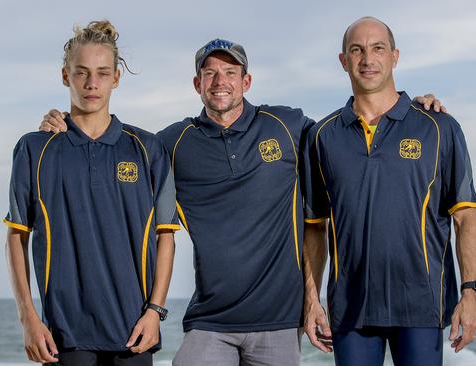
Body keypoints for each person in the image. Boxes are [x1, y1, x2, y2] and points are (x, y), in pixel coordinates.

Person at [40, 38, 444, 366]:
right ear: (197, 84)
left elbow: (347, 132)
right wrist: (64, 122)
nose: (220, 81)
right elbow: (111, 147)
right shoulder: (171, 144)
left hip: (280, 322)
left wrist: (409, 110)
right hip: (210, 321)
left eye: (230, 72)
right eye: (210, 73)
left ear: (246, 82)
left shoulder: (287, 126)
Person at [302, 17, 476, 366]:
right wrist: (312, 300)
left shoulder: (439, 127)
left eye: (378, 49)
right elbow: (314, 226)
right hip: (351, 308)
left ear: (394, 56)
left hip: (420, 303)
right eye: (356, 50)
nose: (368, 59)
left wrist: (471, 291)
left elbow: (465, 216)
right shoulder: (322, 136)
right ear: (343, 61)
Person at [3, 20, 179, 366]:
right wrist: (28, 319)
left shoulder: (146, 148)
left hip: (134, 331)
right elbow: (15, 238)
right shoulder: (34, 149)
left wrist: (155, 312)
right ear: (65, 76)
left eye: (102, 72)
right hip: (64, 334)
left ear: (116, 78)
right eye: (81, 72)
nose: (92, 83)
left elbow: (166, 237)